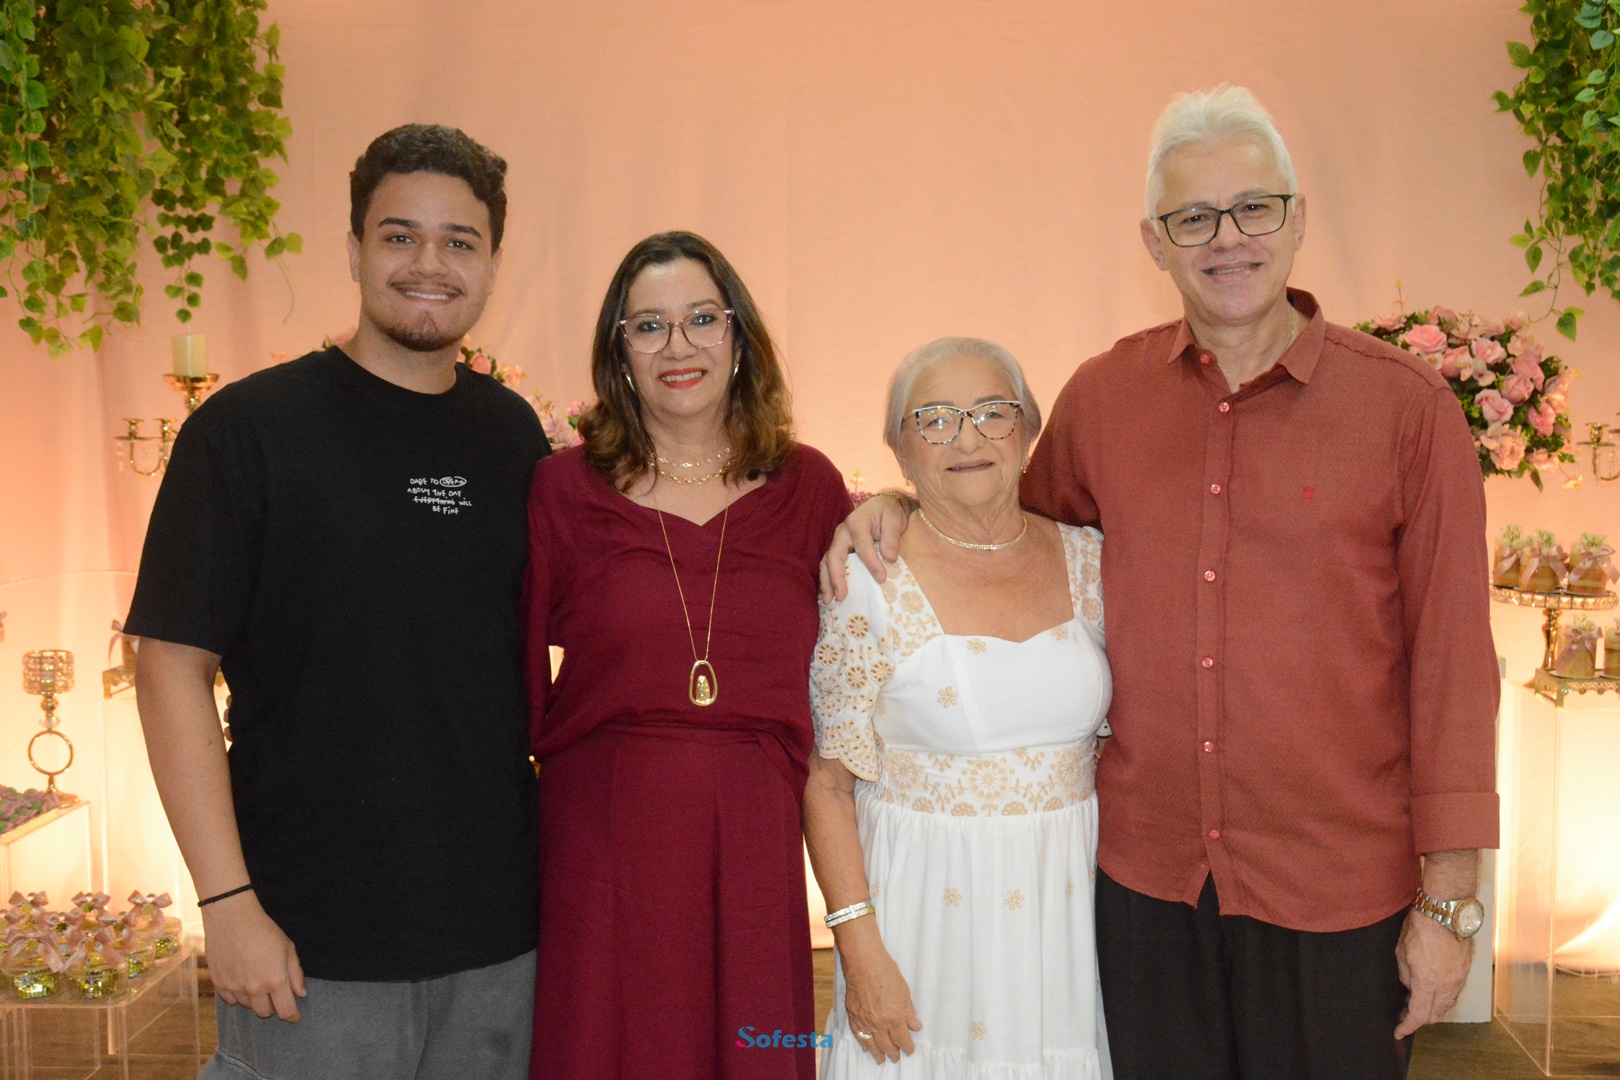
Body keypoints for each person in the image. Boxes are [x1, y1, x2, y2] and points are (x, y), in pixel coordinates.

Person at [823, 86, 1498, 1080]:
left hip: (1337, 890)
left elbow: (1453, 668)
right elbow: (1002, 532)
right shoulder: (1104, 399)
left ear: (1298, 220)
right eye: (1193, 218)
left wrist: (1449, 901)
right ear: (1154, 241)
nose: (1227, 239)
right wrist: (895, 504)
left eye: (1253, 208)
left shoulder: (1406, 409)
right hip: (1145, 894)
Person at [126, 124, 546, 1080]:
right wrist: (226, 903)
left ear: (492, 264)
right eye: (400, 236)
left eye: (459, 241)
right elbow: (170, 669)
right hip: (306, 944)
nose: (429, 264)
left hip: (499, 940)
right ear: (354, 249)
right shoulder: (246, 431)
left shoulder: (511, 434)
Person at [522, 230, 852, 1079]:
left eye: (703, 318)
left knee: (753, 1047)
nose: (679, 346)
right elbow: (508, 673)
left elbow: (870, 648)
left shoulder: (810, 488)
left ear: (739, 336)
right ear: (619, 352)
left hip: (754, 836)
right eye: (648, 326)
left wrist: (894, 506)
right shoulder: (561, 491)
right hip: (604, 838)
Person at [805, 338, 1113, 1078]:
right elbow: (827, 784)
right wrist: (860, 949)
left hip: (1066, 921)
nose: (968, 438)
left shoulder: (1094, 560)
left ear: (1028, 431)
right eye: (935, 419)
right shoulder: (867, 581)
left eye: (992, 412)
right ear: (900, 448)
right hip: (923, 925)